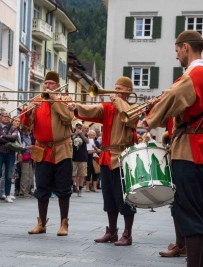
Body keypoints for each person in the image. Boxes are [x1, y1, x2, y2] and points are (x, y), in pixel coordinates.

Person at [142, 30, 203, 267]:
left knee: (190, 215)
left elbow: (175, 96)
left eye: (177, 50)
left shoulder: (194, 73)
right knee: (200, 215)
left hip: (190, 151)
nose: (177, 56)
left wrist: (150, 116)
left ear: (186, 47)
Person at [68, 76, 138, 245]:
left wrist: (117, 101)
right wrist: (75, 106)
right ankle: (112, 232)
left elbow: (130, 118)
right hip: (107, 157)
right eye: (115, 88)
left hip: (123, 158)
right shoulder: (107, 107)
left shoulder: (134, 106)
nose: (115, 91)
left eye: (119, 89)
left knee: (124, 198)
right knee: (109, 197)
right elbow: (91, 110)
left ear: (128, 91)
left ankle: (127, 234)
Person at [20, 71, 74, 236]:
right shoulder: (36, 101)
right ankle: (41, 223)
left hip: (62, 150)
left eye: (51, 84)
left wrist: (53, 100)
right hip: (42, 150)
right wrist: (29, 112)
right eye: (46, 83)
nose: (47, 86)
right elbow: (26, 127)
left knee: (64, 188)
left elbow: (67, 118)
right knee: (42, 188)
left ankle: (64, 223)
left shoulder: (65, 100)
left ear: (57, 86)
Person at [0, 111, 18, 203]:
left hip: (10, 153)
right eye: (4, 116)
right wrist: (8, 137)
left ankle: (7, 194)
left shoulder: (13, 128)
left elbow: (14, 138)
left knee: (9, 175)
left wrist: (4, 136)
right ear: (1, 118)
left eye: (8, 116)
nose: (6, 118)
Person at [71, 121, 89, 196]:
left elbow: (87, 141)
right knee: (72, 173)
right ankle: (74, 186)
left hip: (83, 157)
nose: (78, 127)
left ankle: (80, 189)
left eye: (80, 126)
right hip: (74, 157)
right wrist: (75, 134)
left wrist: (81, 134)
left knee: (82, 174)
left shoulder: (85, 135)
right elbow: (70, 141)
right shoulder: (72, 134)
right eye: (77, 126)